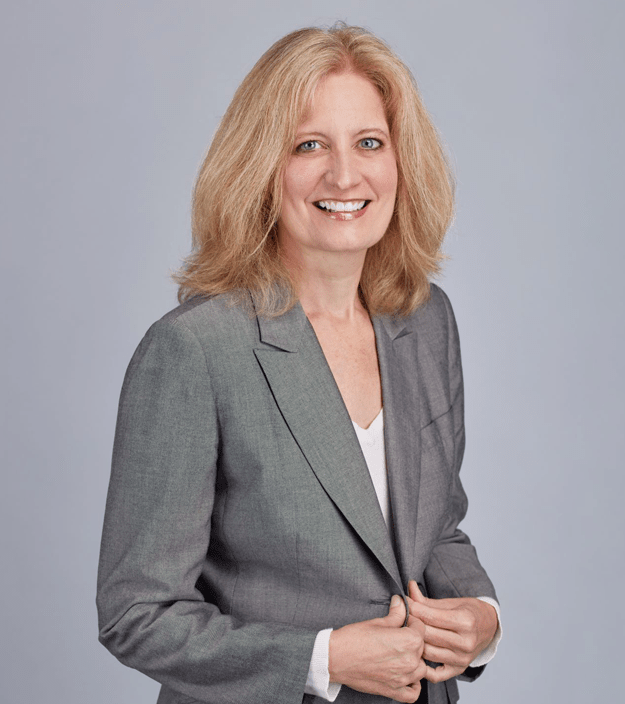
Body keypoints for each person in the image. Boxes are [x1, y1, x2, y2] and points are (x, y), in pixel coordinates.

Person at [96, 25, 500, 704]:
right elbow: (136, 614)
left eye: (369, 143)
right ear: (261, 167)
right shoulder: (197, 351)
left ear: (402, 160)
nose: (345, 175)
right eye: (309, 145)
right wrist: (325, 660)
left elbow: (435, 528)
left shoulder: (427, 324)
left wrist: (481, 617)